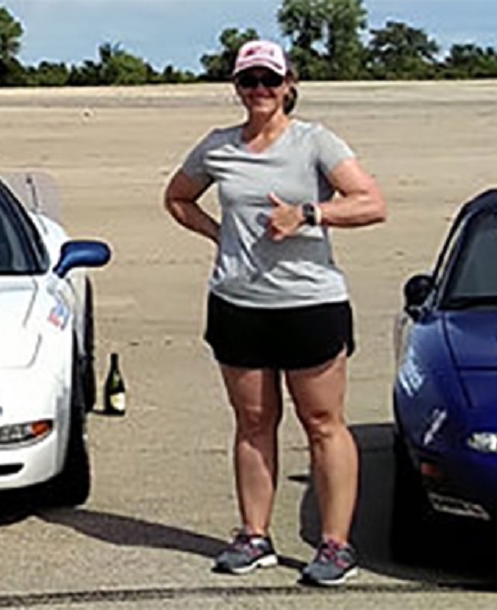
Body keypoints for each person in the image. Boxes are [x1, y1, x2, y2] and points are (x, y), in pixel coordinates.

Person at [163, 40, 386, 587]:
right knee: (254, 422)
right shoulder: (218, 147)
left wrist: (309, 214)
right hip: (238, 304)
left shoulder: (315, 142)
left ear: (289, 84)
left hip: (310, 304)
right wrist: (221, 236)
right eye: (249, 81)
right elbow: (177, 198)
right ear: (236, 87)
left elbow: (371, 202)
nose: (259, 90)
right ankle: (254, 536)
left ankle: (335, 545)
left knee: (323, 423)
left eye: (270, 80)